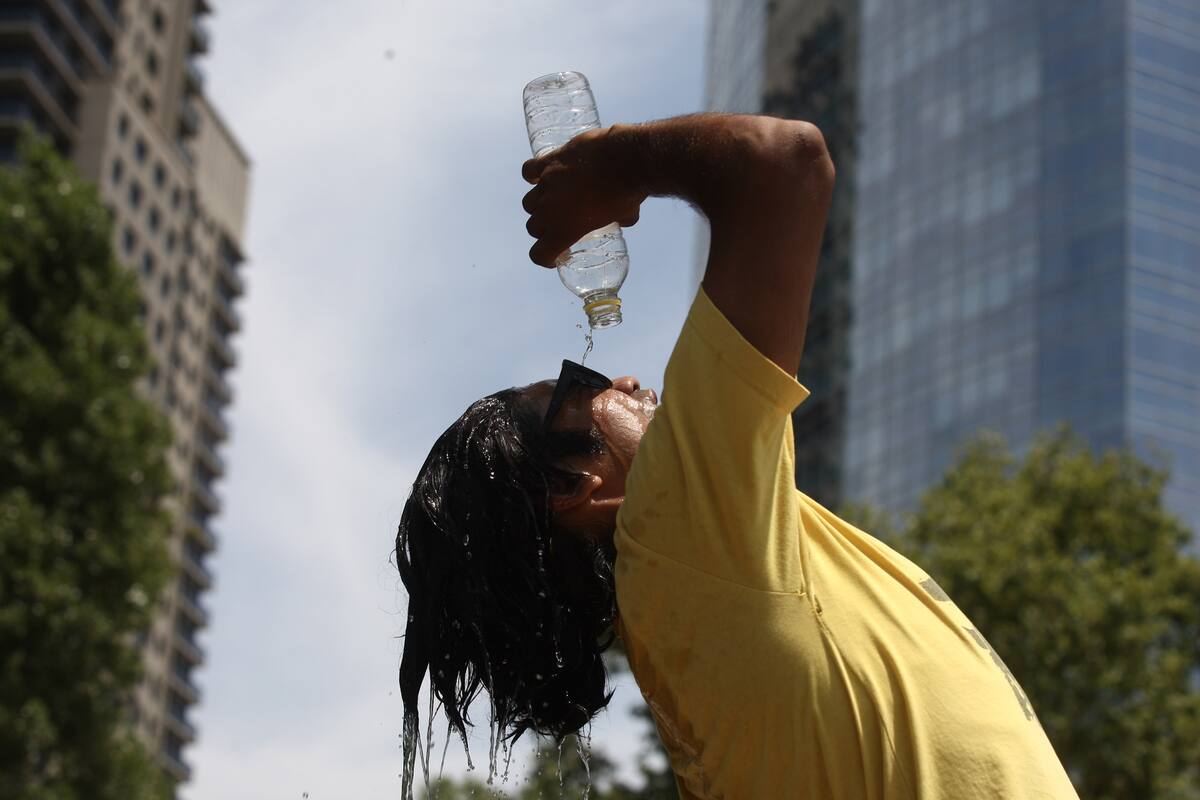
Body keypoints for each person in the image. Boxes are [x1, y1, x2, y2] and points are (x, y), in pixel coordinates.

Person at [395, 113, 1079, 799]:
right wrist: (616, 165)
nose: (624, 381)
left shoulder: (686, 639)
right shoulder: (677, 523)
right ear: (578, 485)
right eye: (583, 386)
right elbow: (781, 160)